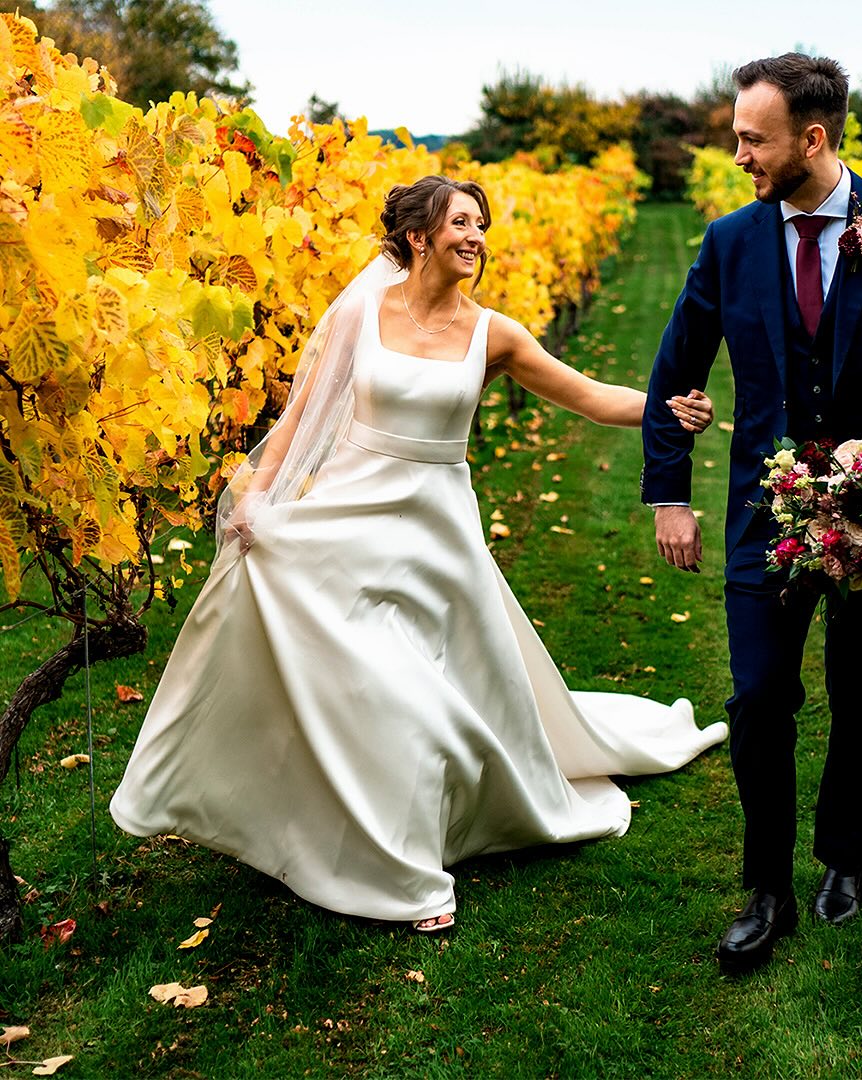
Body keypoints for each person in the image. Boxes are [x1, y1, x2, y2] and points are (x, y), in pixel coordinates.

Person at [110, 175, 728, 934]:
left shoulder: (493, 332)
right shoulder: (361, 314)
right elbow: (305, 409)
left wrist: (664, 406)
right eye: (461, 223)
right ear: (418, 236)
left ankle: (410, 850)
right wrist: (257, 494)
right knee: (367, 683)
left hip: (435, 529)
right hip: (347, 513)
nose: (476, 237)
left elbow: (587, 395)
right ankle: (336, 835)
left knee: (417, 695)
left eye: (481, 225)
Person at [641, 55, 862, 972]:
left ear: (814, 139)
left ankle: (844, 859)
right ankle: (768, 889)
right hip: (768, 514)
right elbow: (674, 372)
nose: (739, 154)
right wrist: (670, 492)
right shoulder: (728, 242)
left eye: (754, 138)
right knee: (758, 696)